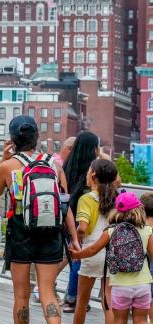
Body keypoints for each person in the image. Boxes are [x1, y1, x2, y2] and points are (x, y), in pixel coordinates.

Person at [0, 114, 77, 324]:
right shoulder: (54, 164)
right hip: (51, 232)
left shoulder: (10, 165)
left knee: (21, 296)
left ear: (13, 139)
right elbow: (65, 203)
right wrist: (73, 239)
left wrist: (4, 160)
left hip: (21, 232)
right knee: (48, 290)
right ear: (37, 138)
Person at [70, 191, 153, 324]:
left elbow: (92, 249)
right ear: (139, 210)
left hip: (120, 286)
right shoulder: (147, 230)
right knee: (141, 321)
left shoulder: (111, 231)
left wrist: (77, 254)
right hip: (143, 284)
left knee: (120, 323)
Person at [62, 158, 117, 324]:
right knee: (107, 301)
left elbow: (83, 227)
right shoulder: (116, 197)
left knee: (82, 301)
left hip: (91, 251)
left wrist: (77, 239)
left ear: (93, 175)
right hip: (111, 250)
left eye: (89, 170)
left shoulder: (87, 198)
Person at [61, 131, 102, 312]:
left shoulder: (67, 166)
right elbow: (116, 182)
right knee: (79, 259)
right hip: (87, 220)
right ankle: (73, 299)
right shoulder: (93, 170)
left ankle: (71, 297)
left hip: (69, 218)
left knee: (74, 257)